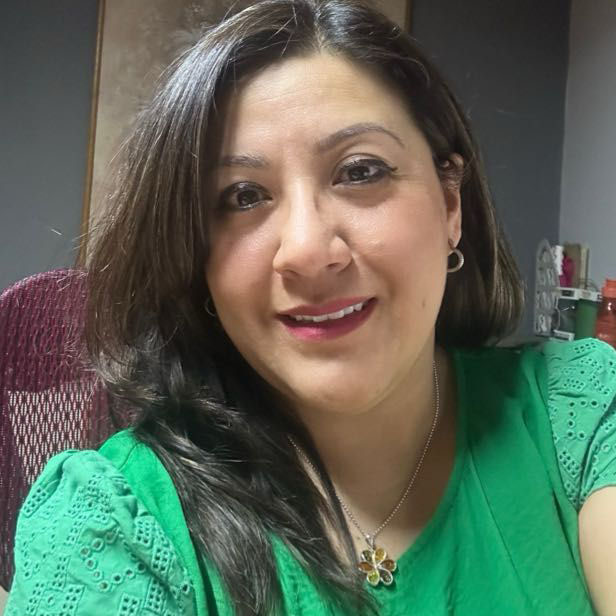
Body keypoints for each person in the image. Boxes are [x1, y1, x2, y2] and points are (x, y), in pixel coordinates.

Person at [5, 1, 616, 614]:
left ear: (450, 205)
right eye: (243, 196)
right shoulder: (109, 527)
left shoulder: (579, 410)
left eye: (361, 171)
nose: (306, 251)